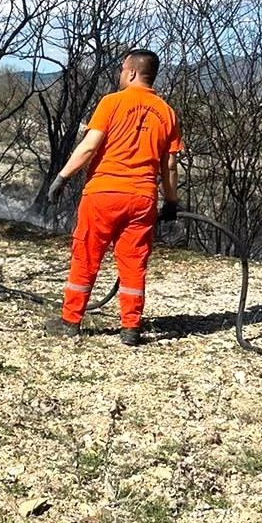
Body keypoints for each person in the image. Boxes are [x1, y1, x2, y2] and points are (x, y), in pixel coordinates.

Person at [44, 48, 182, 346]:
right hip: (143, 198)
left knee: (86, 256)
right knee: (134, 263)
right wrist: (170, 201)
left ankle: (70, 321)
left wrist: (62, 177)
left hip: (103, 194)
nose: (120, 75)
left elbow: (89, 146)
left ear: (131, 72)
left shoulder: (111, 103)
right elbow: (169, 164)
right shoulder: (167, 113)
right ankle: (131, 328)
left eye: (122, 70)